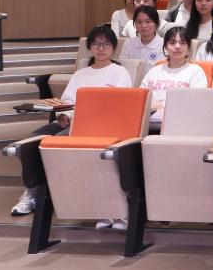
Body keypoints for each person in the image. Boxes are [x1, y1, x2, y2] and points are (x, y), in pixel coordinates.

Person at [10, 25, 133, 217]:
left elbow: (120, 105)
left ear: (113, 47)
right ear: (90, 47)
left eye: (106, 44)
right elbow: (67, 102)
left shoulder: (120, 72)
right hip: (71, 121)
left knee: (55, 142)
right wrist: (63, 115)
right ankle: (32, 192)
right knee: (29, 142)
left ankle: (48, 193)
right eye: (96, 44)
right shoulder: (80, 74)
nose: (101, 48)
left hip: (96, 126)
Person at [139, 27, 208, 123]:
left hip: (180, 122)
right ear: (165, 47)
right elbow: (140, 99)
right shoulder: (153, 71)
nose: (177, 46)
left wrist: (162, 104)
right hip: (147, 122)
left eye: (182, 43)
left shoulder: (195, 71)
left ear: (188, 47)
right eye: (172, 42)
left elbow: (197, 102)